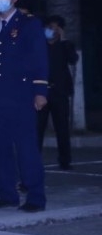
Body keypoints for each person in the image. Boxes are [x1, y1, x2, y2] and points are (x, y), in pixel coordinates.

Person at [0, 0, 49, 212]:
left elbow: (39, 58)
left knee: (27, 148)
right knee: (0, 147)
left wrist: (40, 92)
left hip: (22, 94)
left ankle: (36, 197)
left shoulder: (29, 24)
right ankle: (7, 195)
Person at [37, 15, 79, 170]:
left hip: (59, 92)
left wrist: (64, 40)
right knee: (38, 128)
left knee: (62, 128)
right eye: (49, 27)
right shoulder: (39, 45)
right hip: (41, 92)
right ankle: (34, 158)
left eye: (55, 28)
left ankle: (65, 160)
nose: (51, 30)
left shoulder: (65, 45)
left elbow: (73, 59)